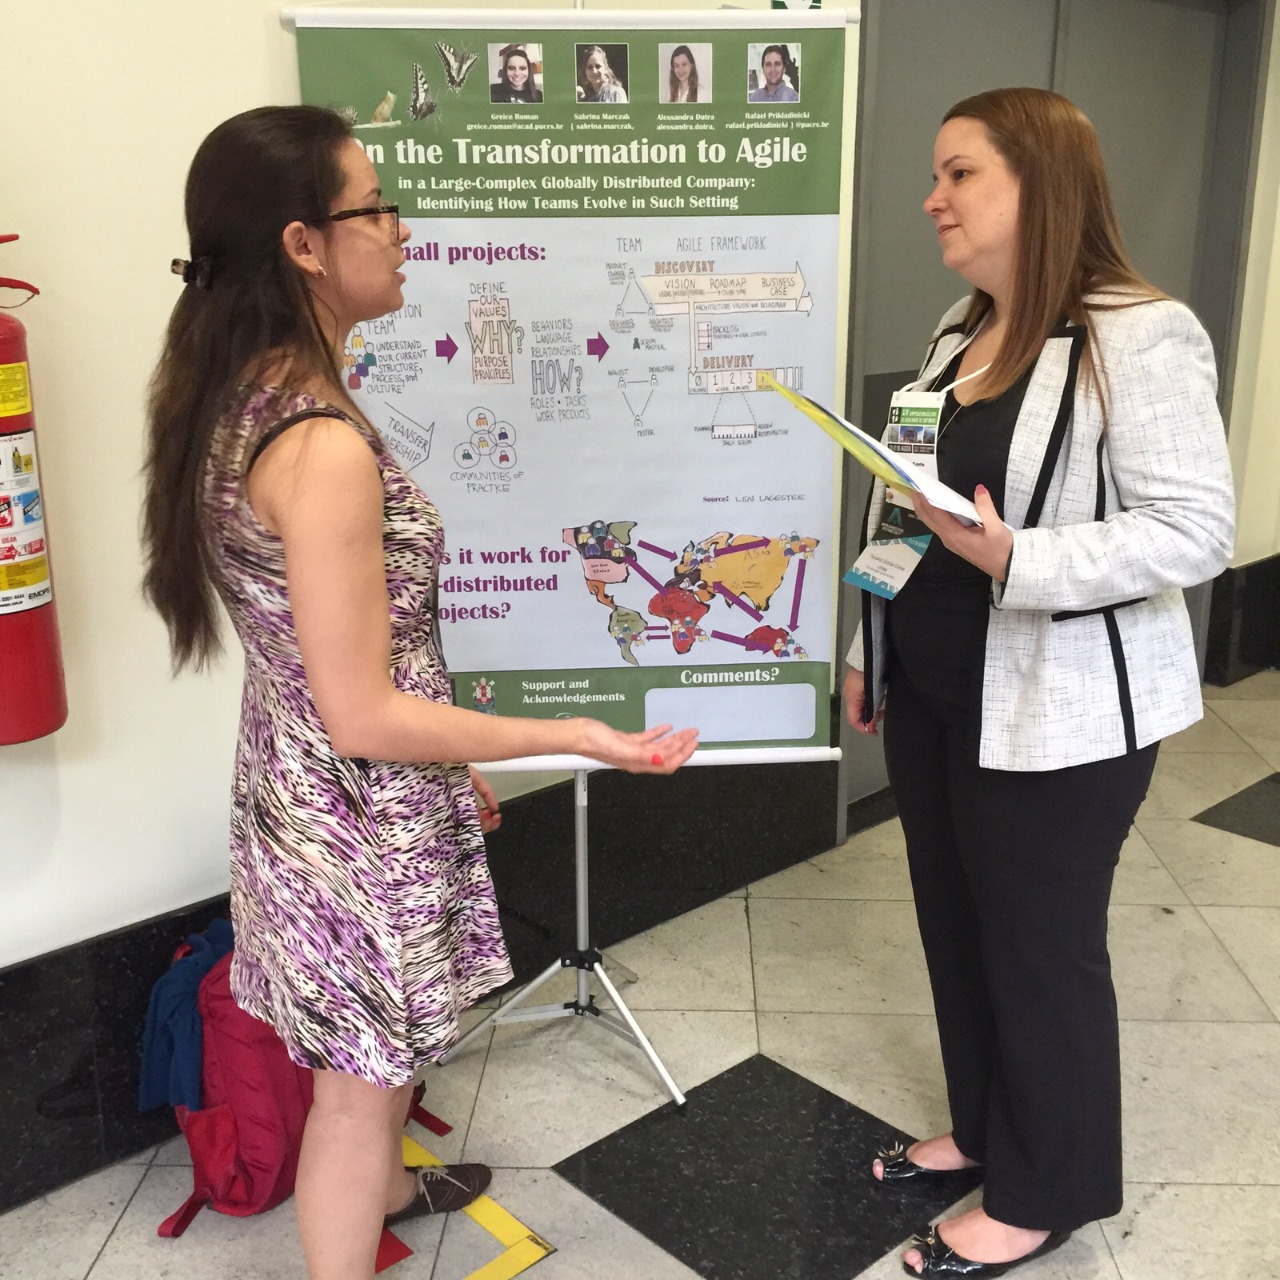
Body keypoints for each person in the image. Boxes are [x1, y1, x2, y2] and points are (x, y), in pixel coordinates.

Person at [141, 105, 697, 1280]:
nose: (401, 228)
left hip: (306, 790)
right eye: (375, 206)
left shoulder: (241, 395)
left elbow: (342, 663)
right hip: (354, 816)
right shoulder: (319, 445)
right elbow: (362, 708)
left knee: (377, 1053)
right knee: (356, 1089)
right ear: (303, 244)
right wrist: (575, 734)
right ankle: (359, 1220)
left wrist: (449, 764)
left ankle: (395, 1184)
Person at [843, 88, 1233, 1277]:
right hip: (931, 688)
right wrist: (867, 643)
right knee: (956, 922)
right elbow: (905, 505)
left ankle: (1042, 1188)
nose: (932, 199)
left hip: (1062, 711)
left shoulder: (1139, 334)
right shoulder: (956, 330)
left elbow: (1194, 529)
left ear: (1038, 185)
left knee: (1036, 945)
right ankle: (984, 1129)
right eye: (935, 174)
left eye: (957, 173)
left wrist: (1019, 557)